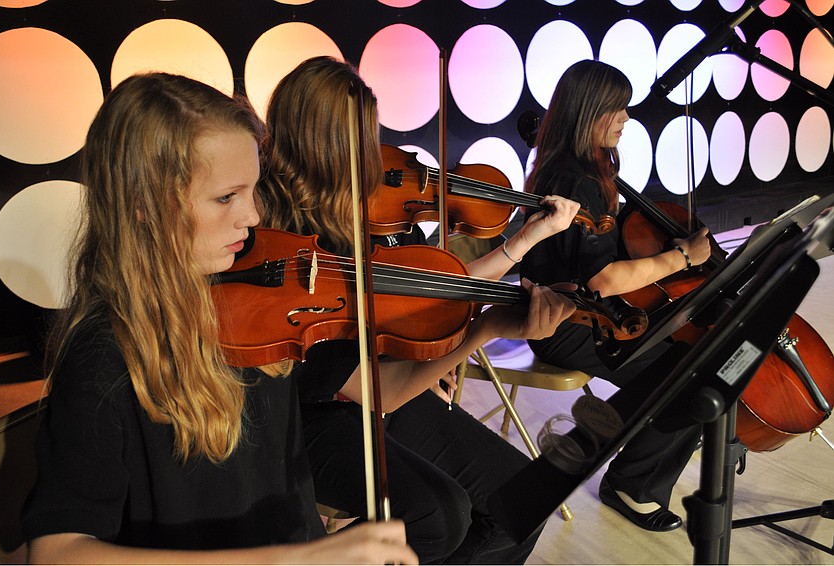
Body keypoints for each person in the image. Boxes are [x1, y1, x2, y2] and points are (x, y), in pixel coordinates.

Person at [20, 71, 421, 564]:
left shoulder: (257, 307)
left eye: (252, 191)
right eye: (226, 197)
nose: (252, 216)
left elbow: (281, 484)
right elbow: (57, 551)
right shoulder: (104, 354)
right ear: (145, 203)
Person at [260, 56, 581, 563]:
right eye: (362, 139)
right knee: (442, 513)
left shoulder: (374, 218)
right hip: (312, 414)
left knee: (525, 498)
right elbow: (378, 391)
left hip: (383, 387)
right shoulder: (288, 250)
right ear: (320, 147)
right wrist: (478, 332)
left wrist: (525, 239)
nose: (377, 157)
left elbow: (438, 295)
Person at [520, 59, 712, 532]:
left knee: (697, 357)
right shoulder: (577, 181)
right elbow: (601, 279)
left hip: (585, 316)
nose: (627, 119)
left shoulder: (577, 171)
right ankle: (630, 484)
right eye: (618, 109)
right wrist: (681, 259)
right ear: (590, 113)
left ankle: (662, 441)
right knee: (693, 373)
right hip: (567, 325)